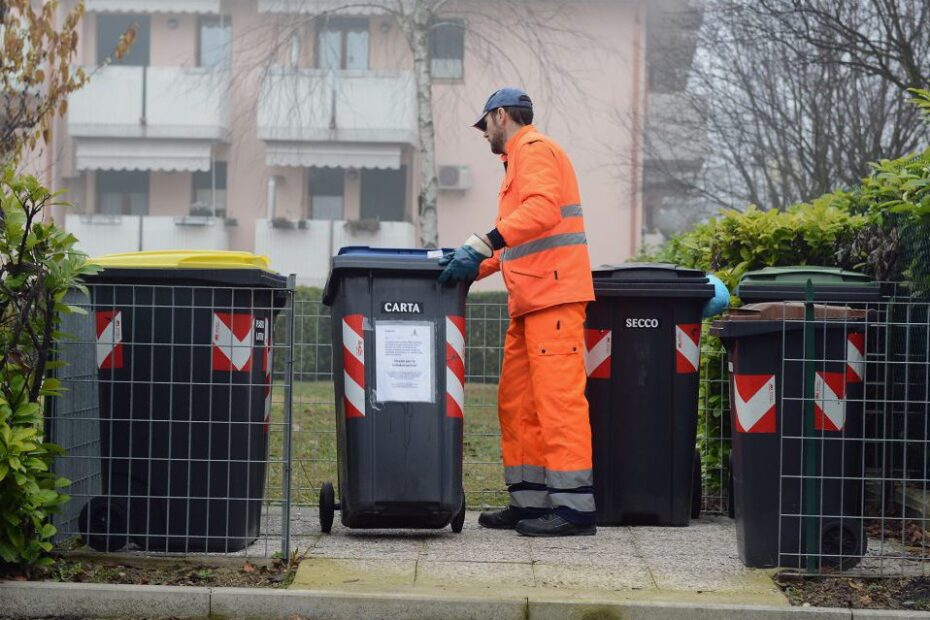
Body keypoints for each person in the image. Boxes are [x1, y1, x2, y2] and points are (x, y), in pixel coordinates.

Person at [438, 88, 597, 536]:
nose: (483, 133)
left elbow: (542, 213)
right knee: (518, 404)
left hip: (554, 301)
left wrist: (481, 243)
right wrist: (470, 267)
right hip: (532, 304)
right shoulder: (517, 164)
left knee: (558, 404)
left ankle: (574, 511)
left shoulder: (534, 149)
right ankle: (529, 502)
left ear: (501, 115)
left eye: (484, 123)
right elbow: (518, 240)